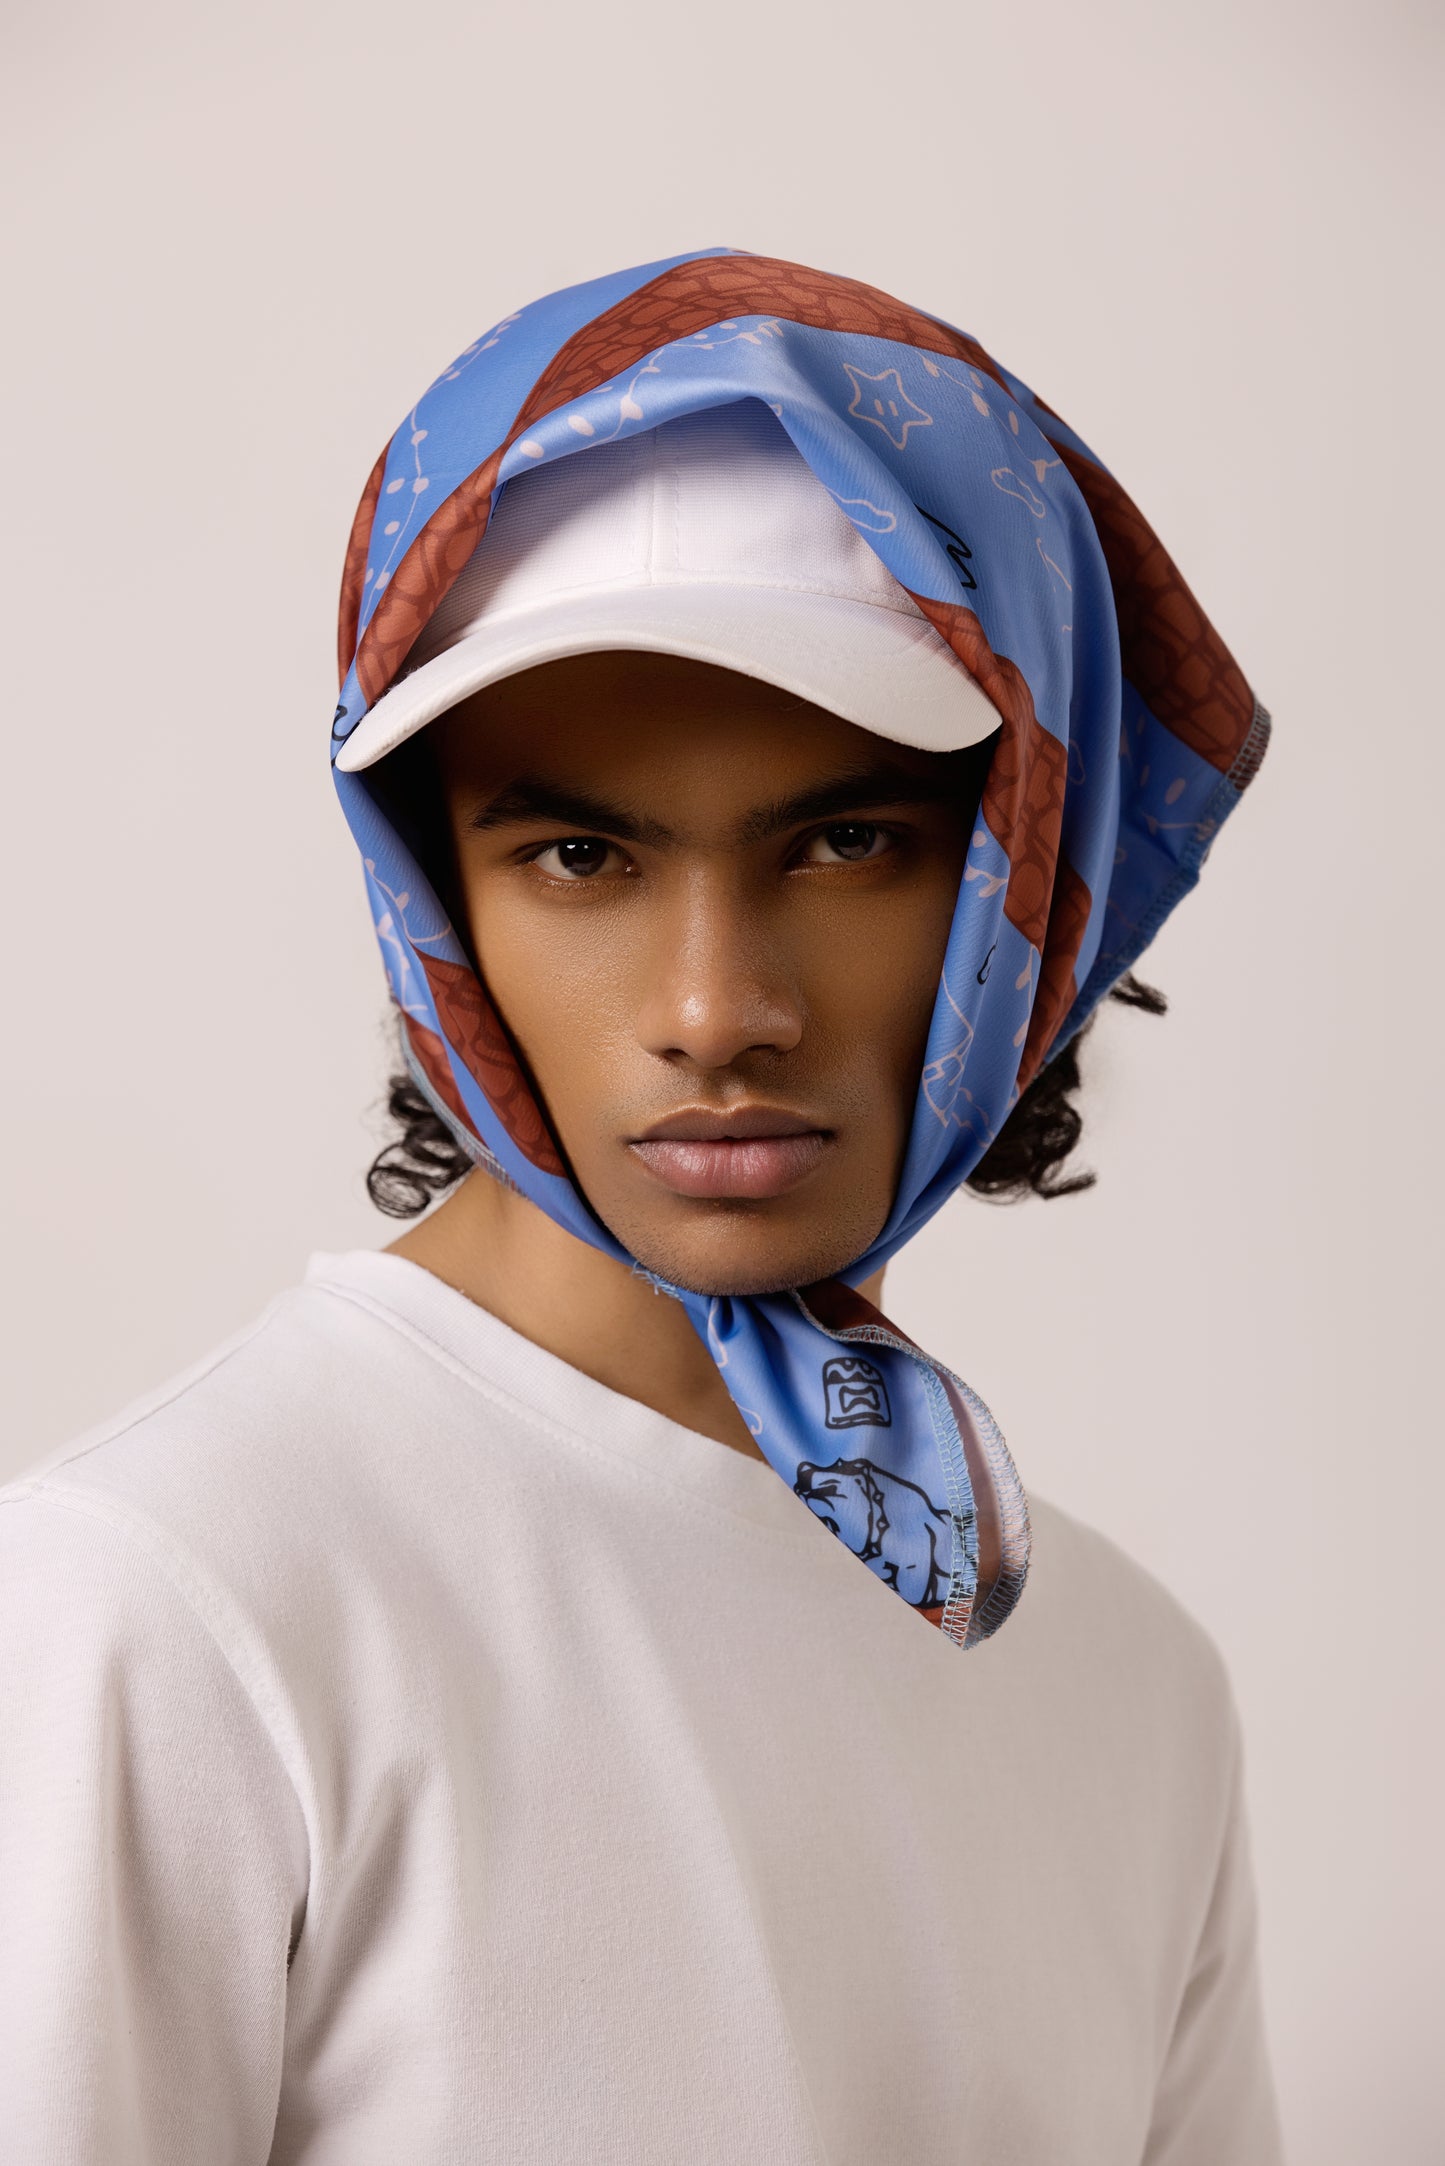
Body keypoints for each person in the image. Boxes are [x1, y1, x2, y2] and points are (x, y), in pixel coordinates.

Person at [0, 250, 1282, 2163]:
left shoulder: (1120, 1675)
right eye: (579, 852)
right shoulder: (162, 1602)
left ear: (1031, 880)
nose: (713, 1011)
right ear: (437, 899)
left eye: (849, 841)